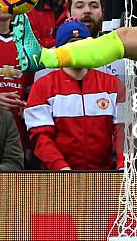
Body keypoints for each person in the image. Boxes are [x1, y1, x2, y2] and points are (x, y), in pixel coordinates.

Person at [24, 20, 124, 170]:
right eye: (71, 44)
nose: (77, 48)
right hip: (58, 178)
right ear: (59, 50)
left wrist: (123, 166)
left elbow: (124, 131)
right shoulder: (42, 87)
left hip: (103, 175)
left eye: (82, 43)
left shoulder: (113, 85)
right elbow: (41, 137)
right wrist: (61, 168)